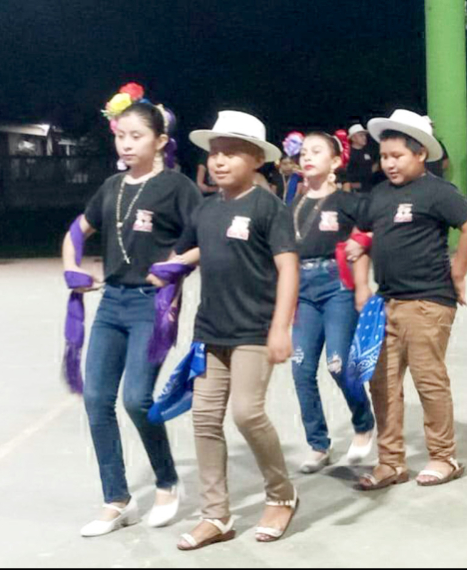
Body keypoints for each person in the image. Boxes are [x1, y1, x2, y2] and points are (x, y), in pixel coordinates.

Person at [167, 111, 301, 550]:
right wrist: (167, 272)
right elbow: (191, 251)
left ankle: (281, 495)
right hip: (211, 332)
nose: (219, 161)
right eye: (214, 153)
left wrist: (281, 327)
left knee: (247, 413)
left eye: (231, 153)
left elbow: (288, 267)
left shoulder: (268, 207)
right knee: (204, 420)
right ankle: (216, 516)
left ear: (257, 159)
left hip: (254, 332)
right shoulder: (207, 210)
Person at [64, 101, 198, 538]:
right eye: (121, 135)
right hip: (111, 306)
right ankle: (117, 499)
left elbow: (208, 236)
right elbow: (75, 232)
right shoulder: (111, 187)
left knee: (137, 399)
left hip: (151, 306)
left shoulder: (176, 187)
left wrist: (178, 264)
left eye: (136, 136)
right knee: (96, 399)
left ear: (160, 141)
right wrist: (73, 266)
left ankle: (165, 481)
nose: (126, 143)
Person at [345, 109, 467, 490]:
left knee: (429, 380)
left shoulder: (437, 191)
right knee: (382, 383)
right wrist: (360, 271)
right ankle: (390, 463)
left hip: (428, 302)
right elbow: (362, 235)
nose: (389, 163)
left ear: (421, 153)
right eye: (385, 156)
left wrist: (458, 271)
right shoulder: (378, 195)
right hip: (386, 303)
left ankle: (444, 457)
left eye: (397, 156)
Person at [287, 132, 377, 474]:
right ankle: (318, 444)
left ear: (336, 162)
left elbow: (365, 240)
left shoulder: (348, 203)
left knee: (338, 365)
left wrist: (361, 286)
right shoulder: (291, 205)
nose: (307, 157)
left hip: (336, 285)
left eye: (317, 151)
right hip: (303, 290)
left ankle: (363, 421)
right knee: (300, 368)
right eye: (304, 152)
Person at [345, 124, 381, 193]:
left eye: (364, 135)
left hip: (371, 188)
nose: (364, 137)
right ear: (353, 138)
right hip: (357, 191)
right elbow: (348, 174)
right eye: (361, 135)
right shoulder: (348, 154)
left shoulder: (368, 150)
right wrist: (370, 170)